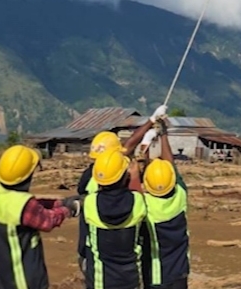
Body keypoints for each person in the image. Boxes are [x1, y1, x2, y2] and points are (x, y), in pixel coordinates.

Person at [76, 108, 166, 272]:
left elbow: (129, 144)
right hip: (118, 255)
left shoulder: (91, 176)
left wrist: (151, 121)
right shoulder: (116, 183)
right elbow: (136, 196)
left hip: (91, 250)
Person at [0, 144, 81, 289]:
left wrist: (58, 203)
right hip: (23, 277)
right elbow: (47, 221)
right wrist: (68, 209)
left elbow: (34, 207)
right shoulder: (23, 205)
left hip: (5, 275)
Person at [82, 147, 148, 289]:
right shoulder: (137, 202)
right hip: (130, 279)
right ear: (125, 176)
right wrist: (135, 177)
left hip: (99, 280)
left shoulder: (90, 203)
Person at [138, 121, 190, 289]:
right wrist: (164, 135)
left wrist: (146, 143)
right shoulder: (180, 195)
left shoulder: (145, 206)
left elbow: (138, 175)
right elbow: (171, 166)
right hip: (180, 272)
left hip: (156, 275)